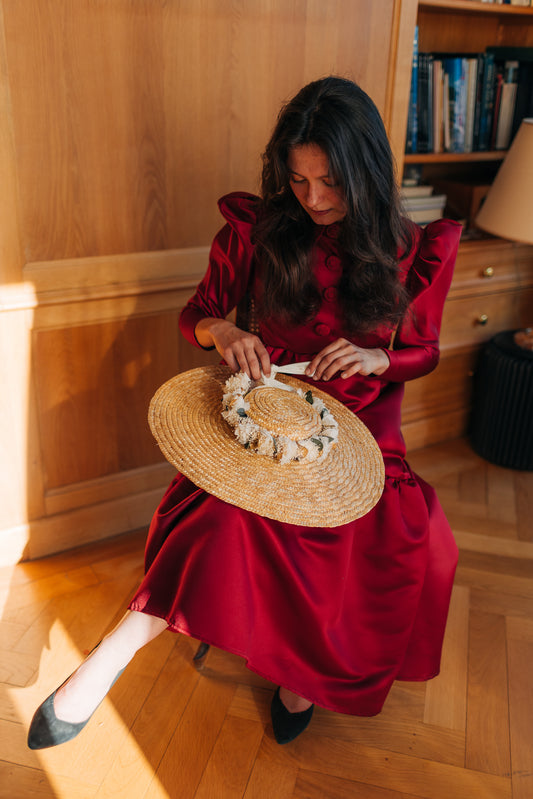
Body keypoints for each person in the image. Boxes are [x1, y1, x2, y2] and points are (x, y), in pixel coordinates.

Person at [28, 76, 462, 749]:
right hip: (265, 407)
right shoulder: (253, 230)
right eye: (298, 181)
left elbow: (425, 350)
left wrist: (382, 361)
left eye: (330, 184)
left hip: (364, 427)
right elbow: (195, 316)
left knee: (406, 537)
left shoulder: (415, 250)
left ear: (365, 172)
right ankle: (108, 656)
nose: (313, 200)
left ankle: (301, 671)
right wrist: (224, 334)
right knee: (229, 511)